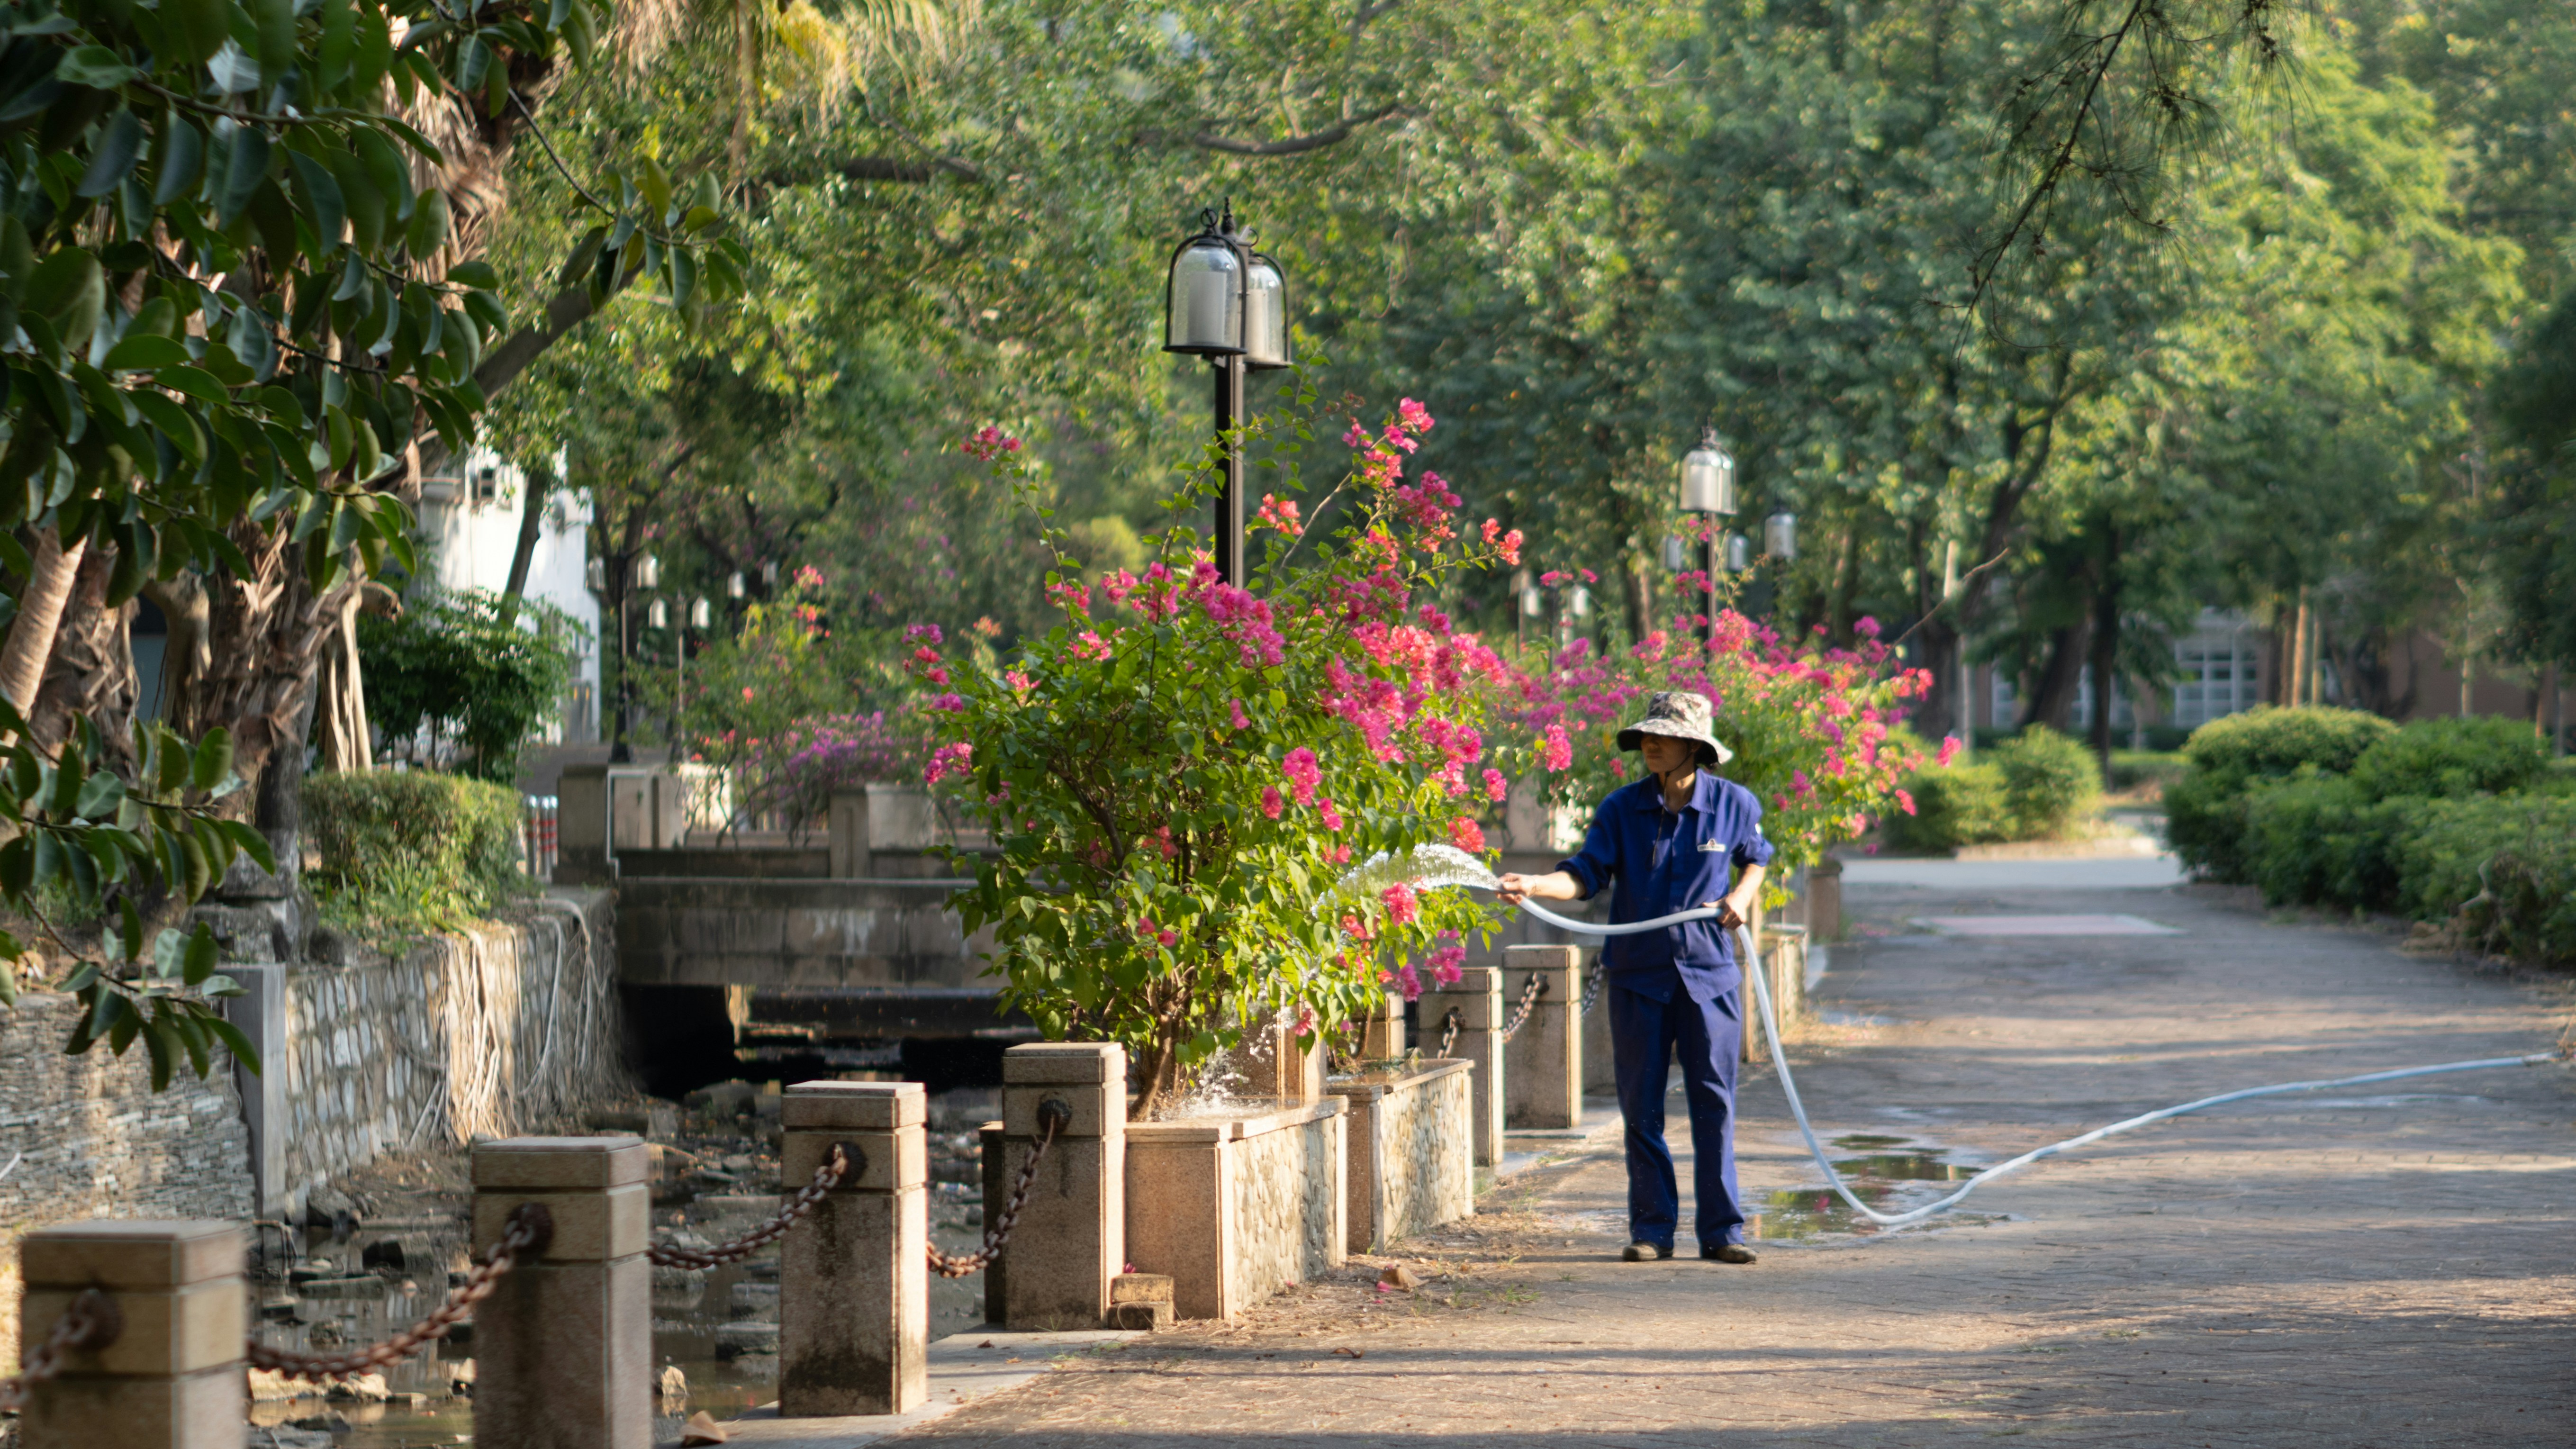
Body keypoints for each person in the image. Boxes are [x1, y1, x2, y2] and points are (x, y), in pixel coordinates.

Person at [1497, 690, 1772, 1263]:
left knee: (1713, 1103)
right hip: (1638, 977)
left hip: (1710, 977)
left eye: (1664, 735)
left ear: (1694, 747)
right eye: (1646, 734)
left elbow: (1757, 855)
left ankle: (1723, 1232)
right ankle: (1652, 1230)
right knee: (1641, 1106)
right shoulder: (1621, 809)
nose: (1650, 743)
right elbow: (1583, 875)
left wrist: (1742, 894)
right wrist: (1534, 885)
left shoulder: (1734, 804)